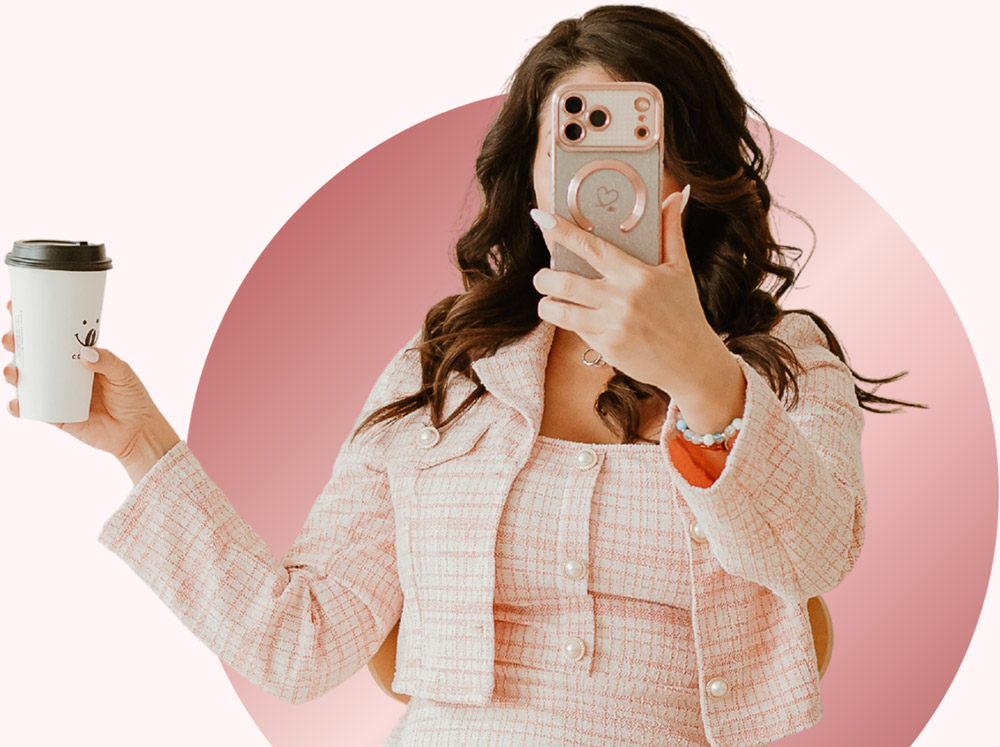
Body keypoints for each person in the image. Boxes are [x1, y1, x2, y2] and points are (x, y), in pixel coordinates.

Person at [3, 5, 923, 746]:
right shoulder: (450, 365)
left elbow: (812, 555)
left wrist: (699, 372)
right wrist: (140, 443)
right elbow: (304, 641)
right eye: (573, 136)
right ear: (531, 162)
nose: (603, 175)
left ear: (695, 168)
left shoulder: (783, 359)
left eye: (634, 136)